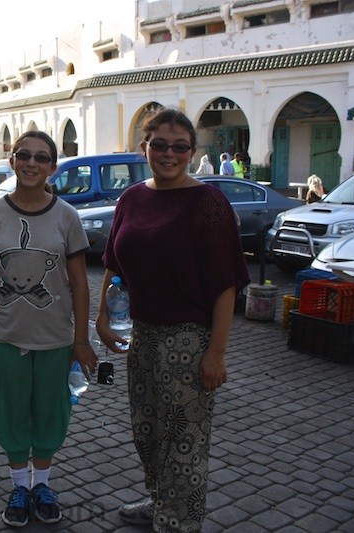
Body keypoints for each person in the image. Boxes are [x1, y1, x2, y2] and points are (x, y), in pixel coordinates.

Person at [96, 108, 249, 533]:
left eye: (179, 146)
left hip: (188, 339)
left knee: (184, 438)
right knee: (147, 431)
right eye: (159, 144)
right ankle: (159, 500)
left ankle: (178, 523)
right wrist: (102, 317)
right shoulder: (131, 199)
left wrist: (216, 353)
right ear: (144, 147)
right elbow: (114, 264)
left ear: (192, 152)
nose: (168, 153)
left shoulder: (209, 204)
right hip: (141, 334)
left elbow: (225, 286)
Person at [0, 131, 97, 528]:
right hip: (5, 337)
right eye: (24, 155)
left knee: (51, 416)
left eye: (41, 158)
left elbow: (79, 283)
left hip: (55, 340)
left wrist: (81, 340)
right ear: (13, 161)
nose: (32, 163)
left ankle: (43, 484)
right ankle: (19, 485)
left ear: (53, 167)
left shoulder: (67, 217)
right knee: (11, 415)